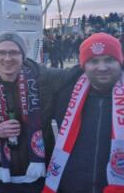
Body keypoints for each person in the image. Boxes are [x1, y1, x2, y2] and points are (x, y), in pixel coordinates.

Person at [0, 32, 73, 193]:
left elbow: (76, 73)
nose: (7, 58)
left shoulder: (43, 78)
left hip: (39, 173)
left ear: (23, 55)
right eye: (1, 52)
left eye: (14, 52)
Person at [44, 33, 124, 193]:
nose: (102, 67)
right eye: (94, 61)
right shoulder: (64, 93)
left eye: (109, 59)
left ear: (120, 62)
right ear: (83, 65)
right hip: (71, 186)